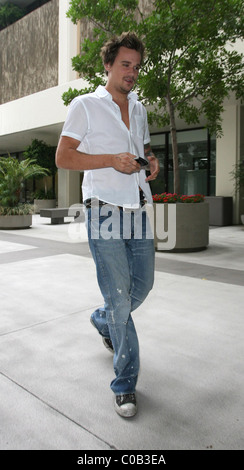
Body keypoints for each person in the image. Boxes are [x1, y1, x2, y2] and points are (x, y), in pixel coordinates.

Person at [56, 32, 159, 418]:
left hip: (138, 207)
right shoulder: (85, 105)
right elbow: (64, 157)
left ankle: (102, 320)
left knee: (142, 286)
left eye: (136, 66)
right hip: (103, 211)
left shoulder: (140, 109)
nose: (131, 72)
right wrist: (110, 160)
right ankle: (124, 384)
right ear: (108, 65)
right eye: (124, 64)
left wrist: (150, 160)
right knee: (119, 296)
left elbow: (143, 149)